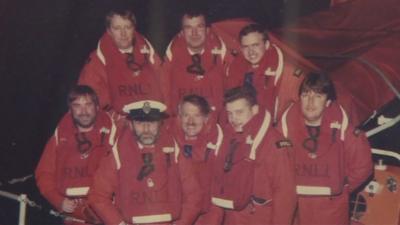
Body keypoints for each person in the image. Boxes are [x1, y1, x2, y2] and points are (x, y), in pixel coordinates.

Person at [278, 72, 373, 225]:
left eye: (318, 96)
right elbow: (274, 165)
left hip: (332, 209)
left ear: (328, 102)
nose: (310, 102)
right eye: (305, 95)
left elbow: (363, 166)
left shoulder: (346, 131)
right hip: (296, 207)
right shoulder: (284, 128)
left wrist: (341, 187)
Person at [211, 86, 296, 225]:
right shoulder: (228, 138)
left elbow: (285, 196)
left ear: (255, 110)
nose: (233, 119)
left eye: (239, 112)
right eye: (229, 113)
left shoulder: (274, 144)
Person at [88, 100, 181, 225]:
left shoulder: (174, 149)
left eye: (152, 122)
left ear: (160, 123)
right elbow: (98, 196)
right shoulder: (118, 153)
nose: (146, 129)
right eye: (139, 123)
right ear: (130, 125)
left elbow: (193, 194)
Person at [35, 85, 115, 225]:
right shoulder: (60, 136)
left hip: (104, 212)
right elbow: (44, 173)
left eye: (88, 105)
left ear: (97, 107)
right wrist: (58, 201)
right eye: (77, 106)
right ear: (70, 109)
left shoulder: (113, 134)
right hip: (73, 214)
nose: (83, 111)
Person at [78, 8, 163, 118]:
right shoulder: (97, 61)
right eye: (117, 28)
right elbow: (89, 103)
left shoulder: (149, 54)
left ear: (134, 29)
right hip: (119, 123)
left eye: (127, 27)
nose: (123, 33)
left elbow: (165, 86)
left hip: (152, 119)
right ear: (109, 31)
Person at [161, 7, 227, 118]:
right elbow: (165, 95)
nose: (194, 33)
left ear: (207, 30)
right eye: (188, 28)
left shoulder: (222, 54)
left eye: (199, 27)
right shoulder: (171, 57)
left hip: (215, 122)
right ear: (181, 33)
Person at [172, 94, 224, 225]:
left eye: (196, 115)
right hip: (178, 214)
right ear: (179, 117)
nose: (190, 121)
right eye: (186, 115)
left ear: (206, 118)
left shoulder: (219, 142)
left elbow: (219, 190)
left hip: (207, 213)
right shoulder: (169, 139)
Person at [224, 23, 284, 123]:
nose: (251, 52)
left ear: (267, 45)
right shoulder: (235, 68)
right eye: (246, 47)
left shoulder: (281, 70)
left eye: (255, 45)